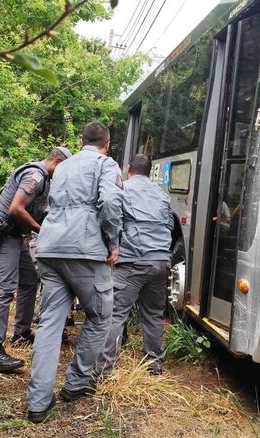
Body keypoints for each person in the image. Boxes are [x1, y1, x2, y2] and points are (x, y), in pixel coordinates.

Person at [27, 121, 123, 423]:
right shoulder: (106, 164)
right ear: (106, 145)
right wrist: (113, 242)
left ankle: (38, 404)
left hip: (50, 247)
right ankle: (77, 383)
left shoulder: (63, 166)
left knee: (50, 324)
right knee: (100, 315)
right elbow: (109, 201)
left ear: (81, 142)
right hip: (85, 250)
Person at [0, 146, 71, 373]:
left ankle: (21, 333)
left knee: (30, 279)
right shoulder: (36, 175)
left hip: (14, 236)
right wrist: (42, 230)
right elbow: (16, 209)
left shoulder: (45, 178)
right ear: (57, 163)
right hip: (2, 234)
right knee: (5, 289)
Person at [94, 154, 173, 377]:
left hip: (133, 261)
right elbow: (168, 224)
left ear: (128, 169)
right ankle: (154, 364)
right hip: (160, 260)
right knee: (154, 314)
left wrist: (112, 243)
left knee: (115, 314)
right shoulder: (162, 194)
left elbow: (110, 212)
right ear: (150, 171)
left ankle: (104, 370)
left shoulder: (123, 189)